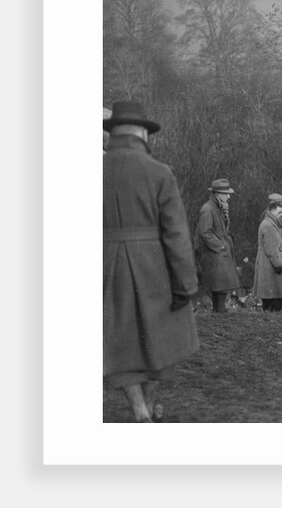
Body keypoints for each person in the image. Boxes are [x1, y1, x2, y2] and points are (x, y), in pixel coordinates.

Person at [103, 99, 199, 423]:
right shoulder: (160, 173)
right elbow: (176, 234)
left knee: (120, 340)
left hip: (104, 267)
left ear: (113, 133)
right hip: (152, 266)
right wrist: (185, 282)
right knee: (160, 338)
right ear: (143, 133)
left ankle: (138, 409)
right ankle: (148, 404)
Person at [196, 178, 240, 313]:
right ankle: (220, 314)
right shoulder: (207, 209)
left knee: (221, 286)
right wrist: (220, 246)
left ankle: (219, 312)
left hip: (219, 254)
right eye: (226, 193)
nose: (228, 196)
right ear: (217, 194)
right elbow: (204, 232)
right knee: (220, 285)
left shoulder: (218, 207)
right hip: (215, 255)